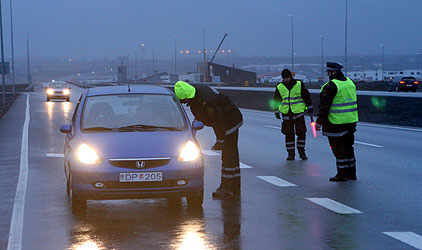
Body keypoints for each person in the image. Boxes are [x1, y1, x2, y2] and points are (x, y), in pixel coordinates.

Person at [174, 81, 243, 198]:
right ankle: (234, 187)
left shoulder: (208, 102)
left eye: (185, 101)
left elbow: (218, 121)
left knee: (228, 154)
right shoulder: (194, 90)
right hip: (226, 119)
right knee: (232, 154)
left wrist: (220, 141)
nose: (185, 103)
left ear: (187, 97)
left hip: (230, 121)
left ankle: (226, 188)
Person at [316, 62, 358, 182]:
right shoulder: (350, 82)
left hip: (335, 123)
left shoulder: (330, 86)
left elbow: (324, 107)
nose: (328, 74)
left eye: (329, 72)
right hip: (350, 121)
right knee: (348, 147)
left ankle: (342, 173)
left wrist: (319, 123)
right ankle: (352, 173)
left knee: (338, 149)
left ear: (333, 72)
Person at [273, 69, 313, 161]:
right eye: (284, 78)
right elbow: (276, 100)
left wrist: (310, 106)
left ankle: (301, 152)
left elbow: (306, 95)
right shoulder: (280, 86)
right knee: (288, 134)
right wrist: (276, 111)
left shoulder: (299, 84)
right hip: (287, 114)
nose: (286, 80)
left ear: (291, 77)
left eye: (287, 78)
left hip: (298, 113)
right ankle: (291, 154)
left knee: (301, 133)